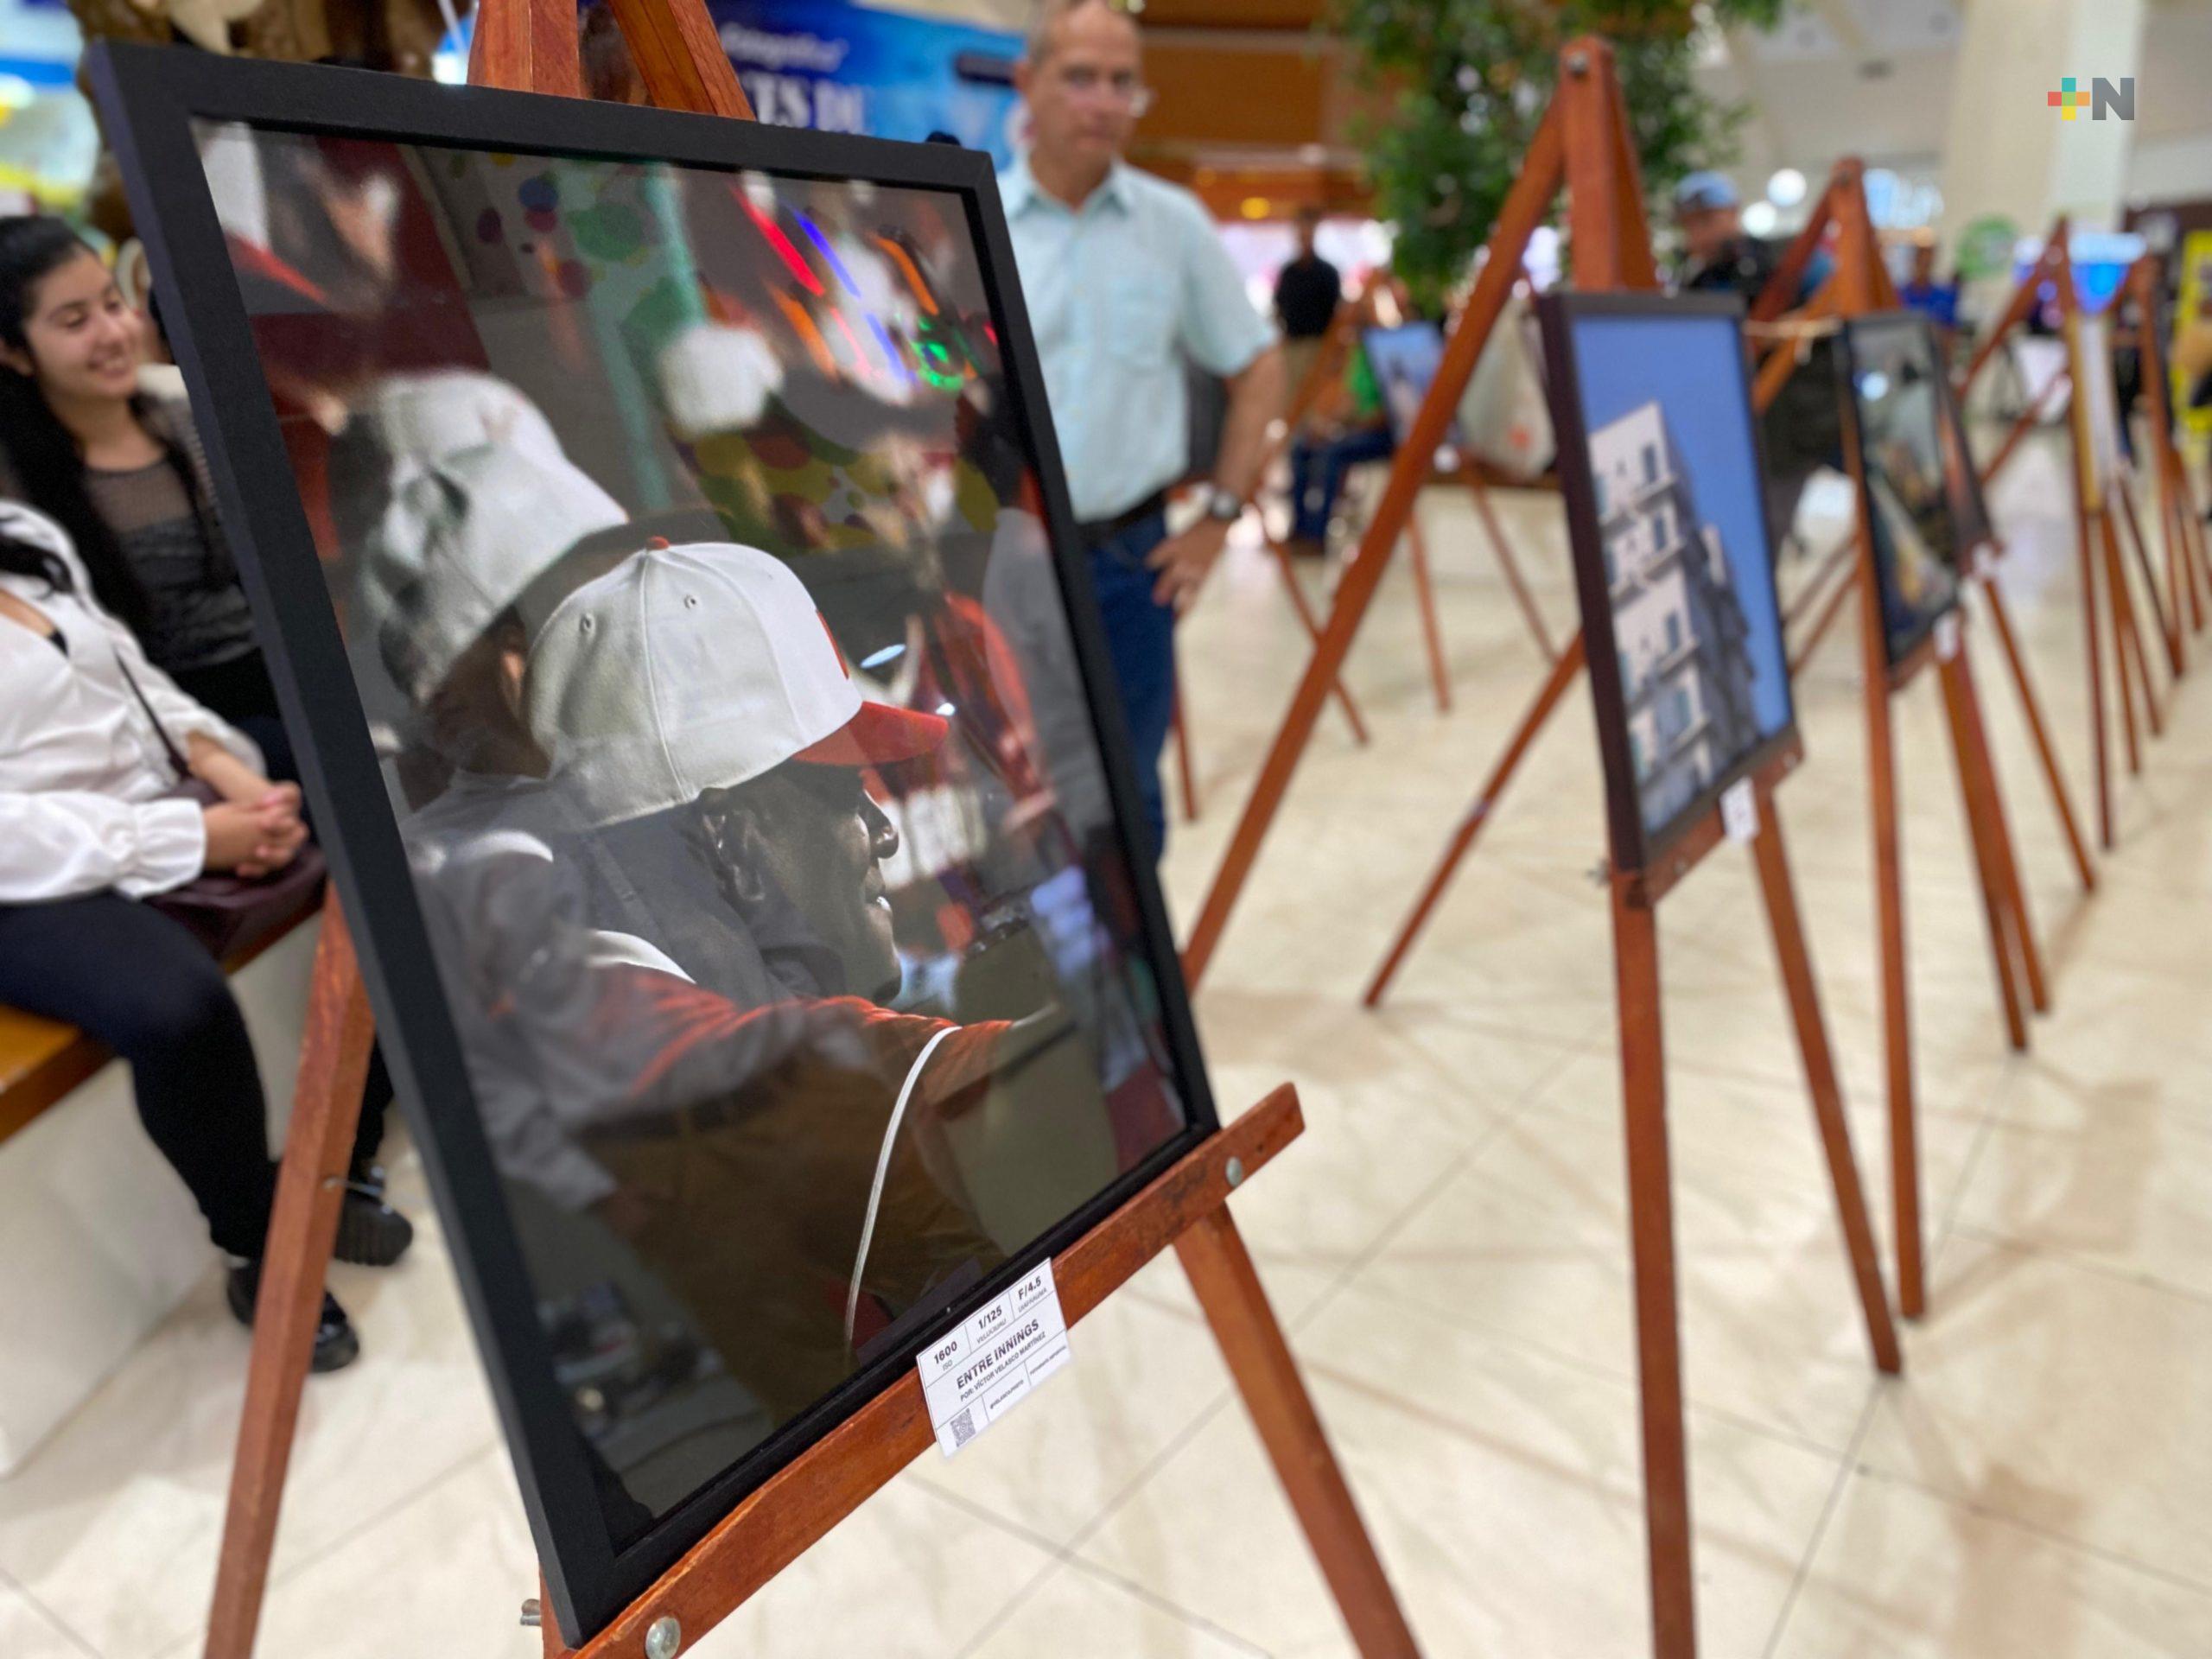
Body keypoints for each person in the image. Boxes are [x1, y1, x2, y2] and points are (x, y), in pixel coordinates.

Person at [0, 501, 411, 1374]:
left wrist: (228, 774)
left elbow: (137, 686)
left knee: (379, 822)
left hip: (158, 801)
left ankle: (346, 1158)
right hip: (29, 871)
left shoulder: (23, 536)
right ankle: (257, 1243)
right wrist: (190, 840)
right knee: (177, 1011)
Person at [1003, 0, 1285, 856]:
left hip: (1130, 566)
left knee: (1127, 799)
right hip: (1003, 562)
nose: (1101, 101)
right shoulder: (976, 216)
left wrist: (1222, 518)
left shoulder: (1173, 227)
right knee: (1007, 796)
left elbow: (1257, 366)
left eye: (1122, 82)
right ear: (1029, 85)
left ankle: (1136, 986)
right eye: (1079, 77)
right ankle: (1044, 987)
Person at [0, 217, 296, 781]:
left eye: (113, 304)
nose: (111, 333)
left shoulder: (189, 420)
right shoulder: (16, 489)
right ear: (14, 352)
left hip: (282, 677)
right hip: (155, 729)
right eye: (74, 321)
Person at [1672, 171, 1841, 552]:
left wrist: (1784, 329)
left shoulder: (1787, 261)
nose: (1699, 235)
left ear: (1732, 213)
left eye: (1707, 220)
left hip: (1785, 429)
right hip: (1720, 426)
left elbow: (1838, 301)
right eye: (1690, 225)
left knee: (1765, 536)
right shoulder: (1695, 280)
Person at [1286, 342, 1394, 552]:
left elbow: (1387, 414)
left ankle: (1316, 536)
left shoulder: (1391, 354)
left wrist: (1347, 429)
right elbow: (1348, 401)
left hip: (1381, 434)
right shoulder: (1359, 354)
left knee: (1330, 454)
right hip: (1355, 428)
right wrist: (1328, 425)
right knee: (1301, 446)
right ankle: (1299, 529)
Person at [1274, 206, 1342, 423]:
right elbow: (1279, 308)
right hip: (1293, 345)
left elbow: (1335, 313)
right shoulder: (1288, 272)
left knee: (1315, 401)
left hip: (1318, 345)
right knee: (1292, 401)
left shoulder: (1328, 273)